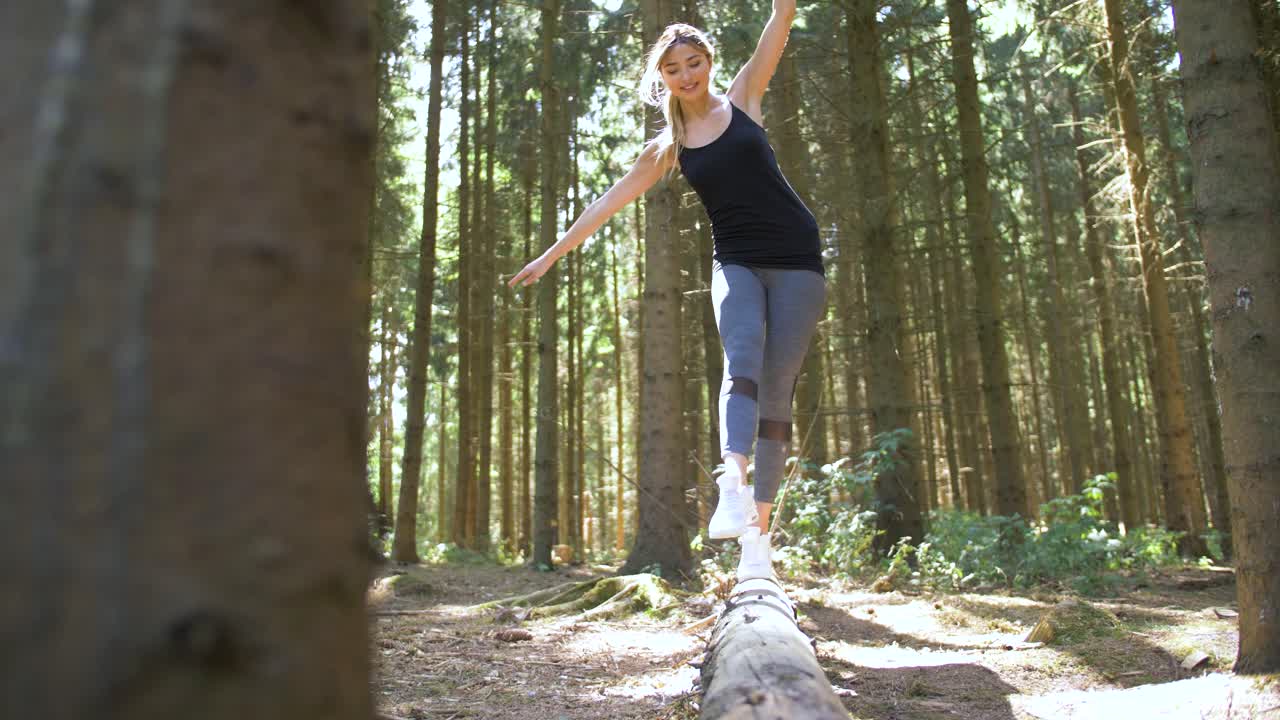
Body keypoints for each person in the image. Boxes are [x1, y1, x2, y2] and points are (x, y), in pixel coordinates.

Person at [508, 0, 825, 583]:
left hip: (798, 260)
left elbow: (780, 21)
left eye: (694, 63)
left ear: (709, 62)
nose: (686, 75)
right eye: (673, 69)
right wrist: (552, 253)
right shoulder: (668, 146)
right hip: (736, 260)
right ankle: (732, 480)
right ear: (662, 78)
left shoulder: (744, 98)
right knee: (742, 357)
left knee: (778, 395)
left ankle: (758, 543)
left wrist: (783, 8)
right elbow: (608, 201)